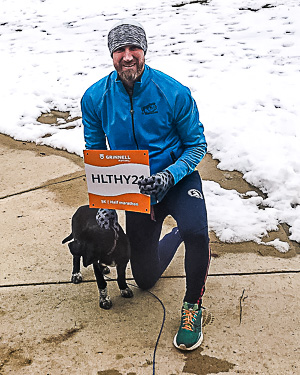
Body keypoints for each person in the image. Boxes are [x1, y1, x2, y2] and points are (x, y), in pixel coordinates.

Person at [81, 19, 210, 351]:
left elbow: (197, 145)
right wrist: (106, 202)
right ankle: (176, 233)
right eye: (119, 50)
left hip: (176, 179)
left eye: (133, 48)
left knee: (197, 231)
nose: (127, 56)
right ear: (112, 55)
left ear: (144, 51)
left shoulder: (173, 91)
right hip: (137, 190)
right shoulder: (95, 97)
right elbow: (97, 155)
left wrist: (168, 175)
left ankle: (192, 307)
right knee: (144, 279)